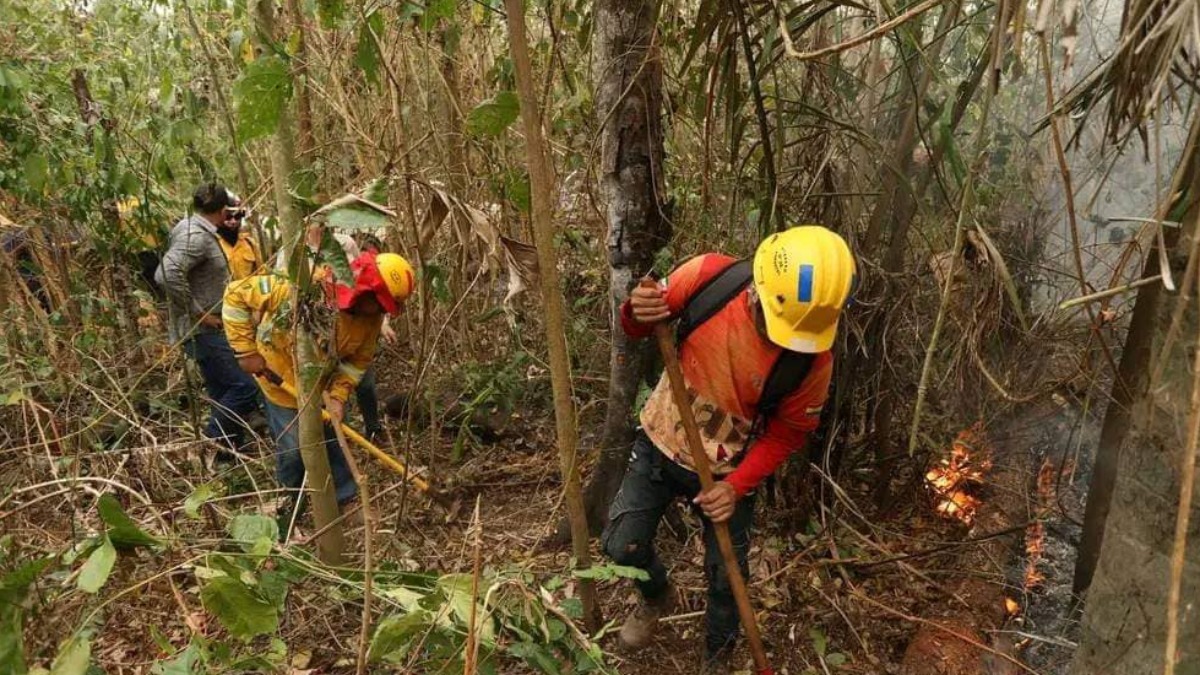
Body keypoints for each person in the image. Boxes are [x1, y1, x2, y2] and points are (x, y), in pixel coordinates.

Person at [600, 226, 856, 672]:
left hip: (728, 471)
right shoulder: (709, 279)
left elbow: (787, 433)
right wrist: (636, 311)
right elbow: (636, 326)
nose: (785, 340)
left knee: (726, 579)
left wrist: (736, 487)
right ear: (758, 289)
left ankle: (717, 657)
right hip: (661, 442)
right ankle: (656, 595)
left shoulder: (812, 362)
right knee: (622, 545)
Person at [222, 250, 415, 520]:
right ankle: (290, 507)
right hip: (282, 385)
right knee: (292, 451)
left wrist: (338, 395)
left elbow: (357, 362)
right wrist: (245, 351)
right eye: (381, 303)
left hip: (323, 387)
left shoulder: (371, 321)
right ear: (365, 293)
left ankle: (346, 498)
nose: (384, 311)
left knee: (333, 440)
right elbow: (234, 295)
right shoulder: (306, 288)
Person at [155, 183, 263, 461]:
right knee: (245, 387)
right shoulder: (196, 236)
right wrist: (200, 313)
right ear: (221, 209)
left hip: (207, 327)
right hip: (205, 330)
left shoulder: (196, 228)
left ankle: (228, 455)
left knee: (223, 389)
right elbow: (166, 274)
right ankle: (210, 444)